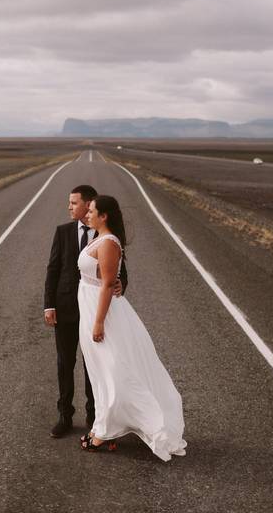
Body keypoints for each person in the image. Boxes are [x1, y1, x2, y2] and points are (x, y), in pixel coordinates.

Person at [77, 195, 186, 461]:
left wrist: (99, 321)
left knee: (113, 370)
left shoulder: (109, 242)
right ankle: (104, 426)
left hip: (102, 313)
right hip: (90, 307)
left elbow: (106, 284)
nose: (87, 214)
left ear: (104, 216)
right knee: (100, 372)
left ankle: (108, 430)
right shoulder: (98, 239)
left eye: (91, 211)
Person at [44, 185, 128, 438]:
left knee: (95, 366)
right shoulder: (63, 232)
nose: (69, 207)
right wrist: (49, 305)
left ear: (88, 204)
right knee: (64, 363)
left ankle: (95, 416)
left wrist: (122, 283)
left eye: (74, 203)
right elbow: (53, 269)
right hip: (66, 309)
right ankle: (65, 416)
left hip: (94, 310)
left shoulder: (105, 235)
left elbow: (120, 270)